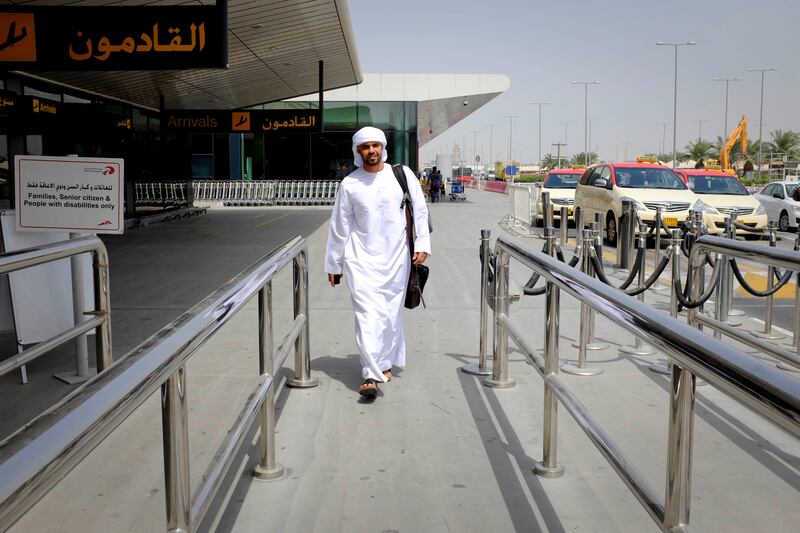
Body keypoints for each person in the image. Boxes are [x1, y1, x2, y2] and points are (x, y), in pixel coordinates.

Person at [324, 127, 431, 398]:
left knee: (389, 315)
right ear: (357, 151)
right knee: (368, 316)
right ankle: (370, 375)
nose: (371, 151)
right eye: (365, 147)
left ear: (382, 147)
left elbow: (419, 210)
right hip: (360, 260)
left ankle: (383, 364)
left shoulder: (402, 175)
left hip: (397, 258)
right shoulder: (350, 184)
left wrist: (422, 245)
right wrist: (334, 265)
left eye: (375, 145)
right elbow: (339, 227)